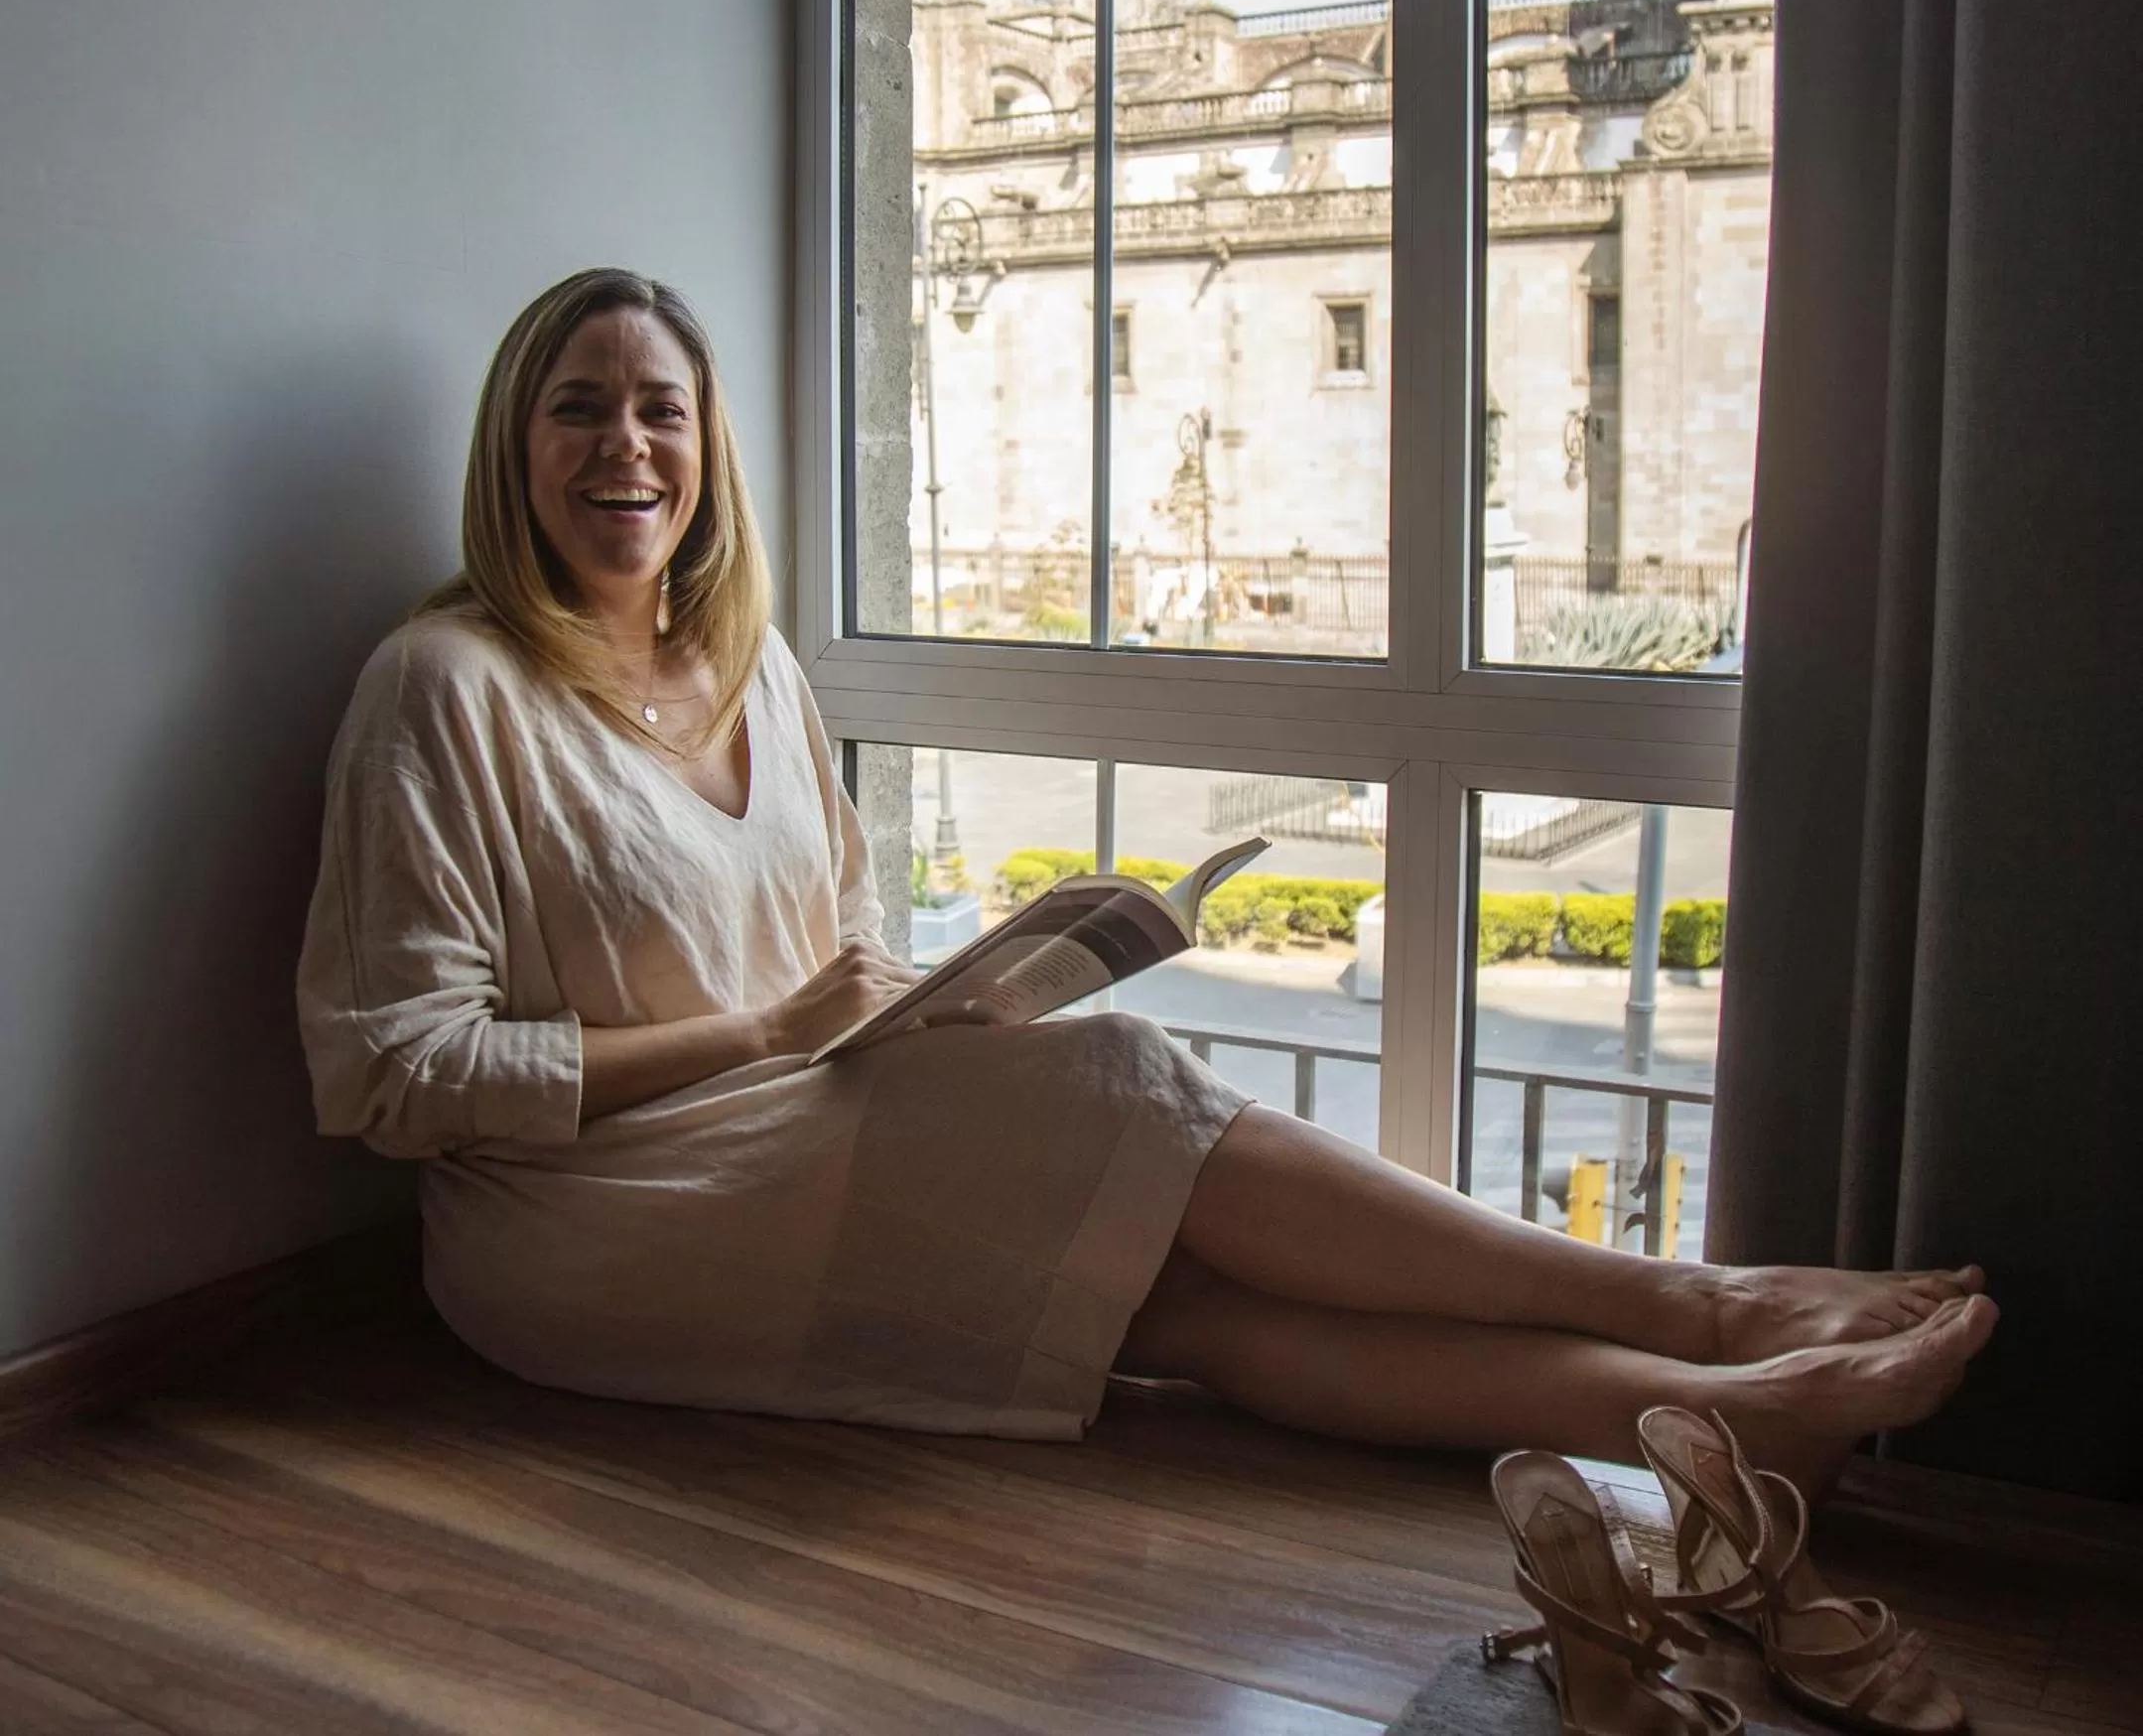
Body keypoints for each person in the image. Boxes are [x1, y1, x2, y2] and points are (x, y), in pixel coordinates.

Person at [296, 267, 1996, 1495]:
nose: (626, 447)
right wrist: (755, 1037)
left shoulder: (758, 666)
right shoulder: (445, 687)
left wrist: (923, 1000)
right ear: (511, 446)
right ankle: (1705, 1303)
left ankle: (1705, 1416)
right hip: (596, 1214)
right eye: (576, 406)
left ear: (706, 446)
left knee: (1164, 1296)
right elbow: (392, 1076)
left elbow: (840, 947)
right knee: (1122, 1095)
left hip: (792, 1119)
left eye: (660, 407)